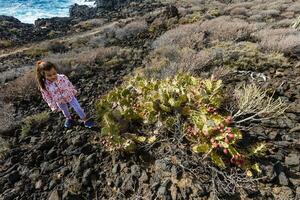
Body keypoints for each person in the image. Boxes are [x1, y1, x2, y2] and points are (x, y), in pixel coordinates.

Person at [35, 60, 94, 128]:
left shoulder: (62, 77)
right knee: (65, 111)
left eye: (54, 73)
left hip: (69, 96)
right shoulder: (44, 85)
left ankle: (85, 119)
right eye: (49, 75)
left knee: (78, 108)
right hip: (59, 101)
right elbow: (47, 97)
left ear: (56, 70)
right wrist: (53, 106)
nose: (53, 76)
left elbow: (69, 84)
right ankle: (69, 118)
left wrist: (73, 90)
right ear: (43, 75)